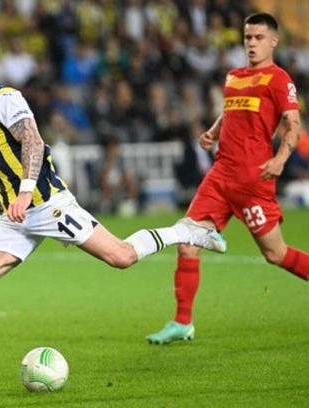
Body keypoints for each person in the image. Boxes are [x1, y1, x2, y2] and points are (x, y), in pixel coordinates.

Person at [0, 50, 227, 389]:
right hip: (16, 218)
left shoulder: (5, 99)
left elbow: (33, 141)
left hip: (49, 206)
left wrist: (25, 191)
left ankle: (185, 231)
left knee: (122, 256)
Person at [146, 13, 309, 345]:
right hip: (220, 177)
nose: (252, 43)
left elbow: (293, 124)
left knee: (275, 254)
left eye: (259, 38)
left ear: (274, 41)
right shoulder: (234, 76)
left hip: (253, 181)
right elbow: (232, 110)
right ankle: (182, 322)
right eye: (248, 37)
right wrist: (213, 131)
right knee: (187, 243)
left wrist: (280, 159)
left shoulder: (279, 79)